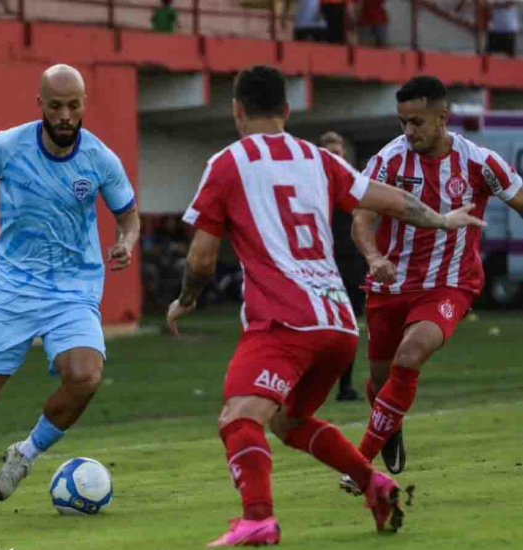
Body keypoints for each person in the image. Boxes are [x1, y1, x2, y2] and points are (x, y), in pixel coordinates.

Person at [165, 65, 484, 546]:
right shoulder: (316, 158)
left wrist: (186, 299)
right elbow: (392, 200)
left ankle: (258, 519)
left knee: (238, 417)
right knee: (287, 421)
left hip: (284, 320)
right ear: (287, 110)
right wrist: (441, 220)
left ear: (237, 111)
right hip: (337, 324)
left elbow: (202, 259)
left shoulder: (227, 163)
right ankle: (374, 484)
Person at [0, 64, 140, 516]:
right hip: (11, 288)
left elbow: (128, 216)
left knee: (86, 376)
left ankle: (25, 453)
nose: (65, 115)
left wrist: (125, 243)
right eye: (56, 106)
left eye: (73, 105)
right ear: (40, 105)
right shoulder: (6, 147)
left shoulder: (100, 159)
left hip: (72, 290)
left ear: (84, 104)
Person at [340, 75, 523, 493]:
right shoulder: (388, 161)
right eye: (402, 122)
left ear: (443, 118)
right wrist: (374, 257)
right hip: (390, 285)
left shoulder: (480, 162)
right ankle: (391, 426)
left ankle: (359, 464)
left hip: (450, 283)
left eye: (417, 122)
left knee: (411, 354)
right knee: (381, 382)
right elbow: (361, 218)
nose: (408, 131)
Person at [318, 131, 367, 401]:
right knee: (319, 325)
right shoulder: (312, 184)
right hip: (319, 264)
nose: (333, 158)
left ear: (344, 155)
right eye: (328, 154)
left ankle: (345, 386)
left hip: (351, 263)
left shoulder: (355, 182)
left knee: (349, 325)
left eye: (337, 153)